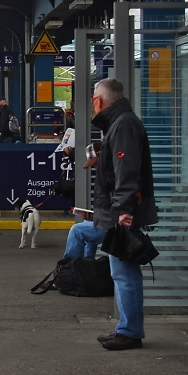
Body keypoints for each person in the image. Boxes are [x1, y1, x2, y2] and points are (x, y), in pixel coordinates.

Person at [90, 78, 157, 351]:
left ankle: (129, 331)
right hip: (119, 209)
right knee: (123, 271)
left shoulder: (124, 124)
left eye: (94, 98)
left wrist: (123, 211)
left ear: (100, 101)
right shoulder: (120, 123)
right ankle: (127, 328)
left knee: (124, 272)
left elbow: (126, 170)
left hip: (122, 212)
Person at [62, 143, 106, 259]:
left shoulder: (110, 177)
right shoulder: (104, 176)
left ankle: (70, 267)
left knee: (77, 231)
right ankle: (87, 264)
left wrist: (97, 217)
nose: (94, 167)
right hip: (108, 220)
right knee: (86, 227)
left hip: (113, 224)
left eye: (95, 163)